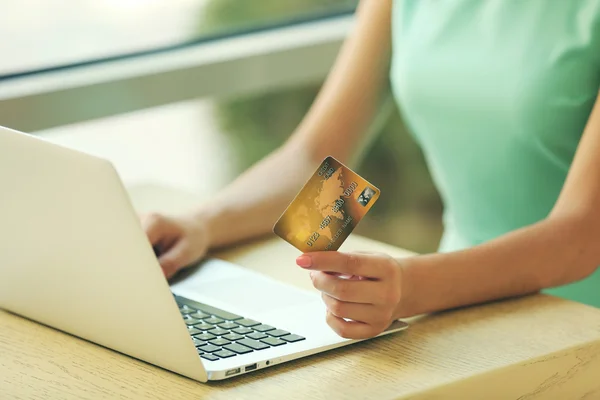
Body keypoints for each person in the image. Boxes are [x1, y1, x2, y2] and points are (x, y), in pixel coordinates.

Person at [142, 0, 600, 340]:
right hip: (461, 307)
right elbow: (321, 162)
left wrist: (407, 288)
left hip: (579, 320)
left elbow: (579, 238)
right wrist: (200, 226)